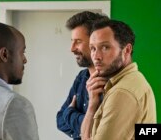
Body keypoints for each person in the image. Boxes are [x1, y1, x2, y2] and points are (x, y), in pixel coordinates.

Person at [81, 19, 157, 140]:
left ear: (126, 50)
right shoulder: (134, 80)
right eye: (93, 49)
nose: (96, 57)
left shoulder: (122, 93)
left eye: (105, 47)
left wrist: (90, 110)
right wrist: (92, 105)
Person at [56, 11, 108, 140]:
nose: (72, 48)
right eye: (72, 41)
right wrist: (83, 125)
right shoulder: (81, 77)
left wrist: (70, 114)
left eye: (78, 41)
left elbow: (102, 131)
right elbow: (60, 120)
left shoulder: (114, 82)